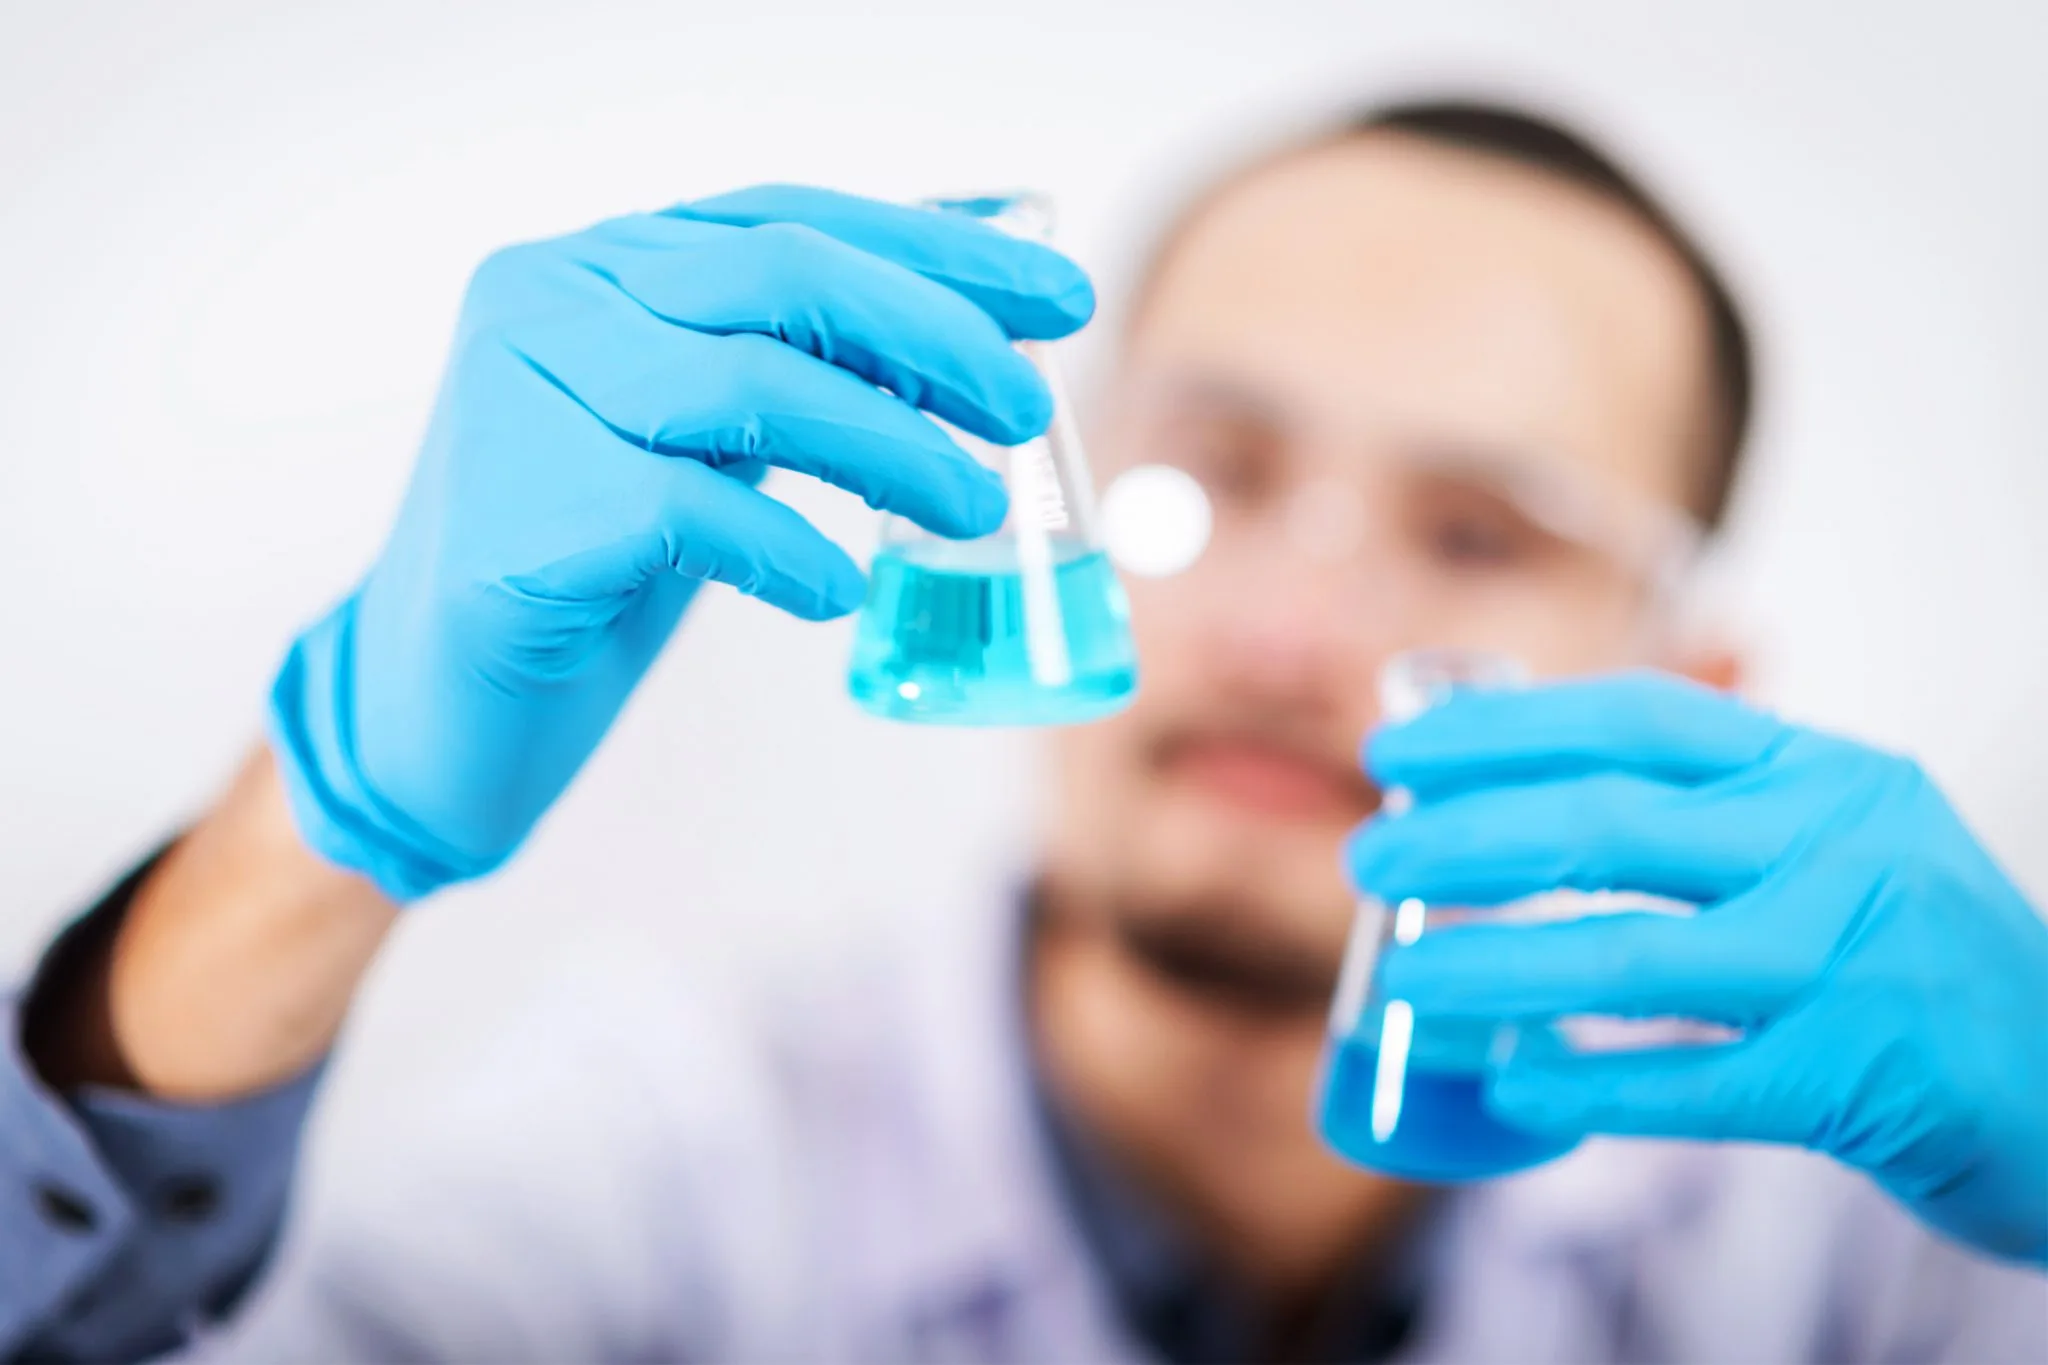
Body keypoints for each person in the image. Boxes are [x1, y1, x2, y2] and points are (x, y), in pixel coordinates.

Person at [3, 97, 2043, 1364]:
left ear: (1693, 691)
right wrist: (320, 822)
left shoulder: (1871, 1251)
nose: (1286, 630)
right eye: (1215, 469)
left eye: (1476, 532)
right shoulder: (672, 1153)